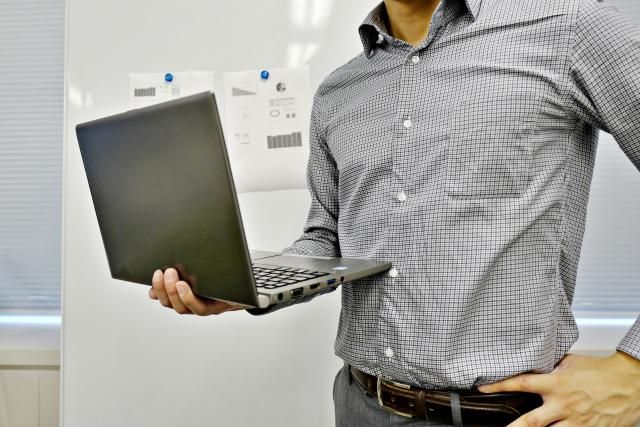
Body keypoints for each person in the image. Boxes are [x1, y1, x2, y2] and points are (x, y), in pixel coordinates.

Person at [149, 0, 640, 425]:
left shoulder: (569, 27)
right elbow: (326, 236)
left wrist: (634, 373)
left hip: (504, 415)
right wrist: (245, 285)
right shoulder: (339, 91)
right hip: (361, 404)